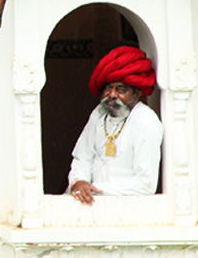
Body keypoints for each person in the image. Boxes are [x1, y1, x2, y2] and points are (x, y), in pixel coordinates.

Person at [67, 46, 163, 205]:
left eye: (121, 90)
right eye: (108, 88)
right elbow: (82, 158)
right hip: (88, 204)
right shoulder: (99, 114)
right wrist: (79, 182)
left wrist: (96, 190)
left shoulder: (146, 121)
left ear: (136, 94)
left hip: (127, 209)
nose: (112, 95)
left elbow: (146, 184)